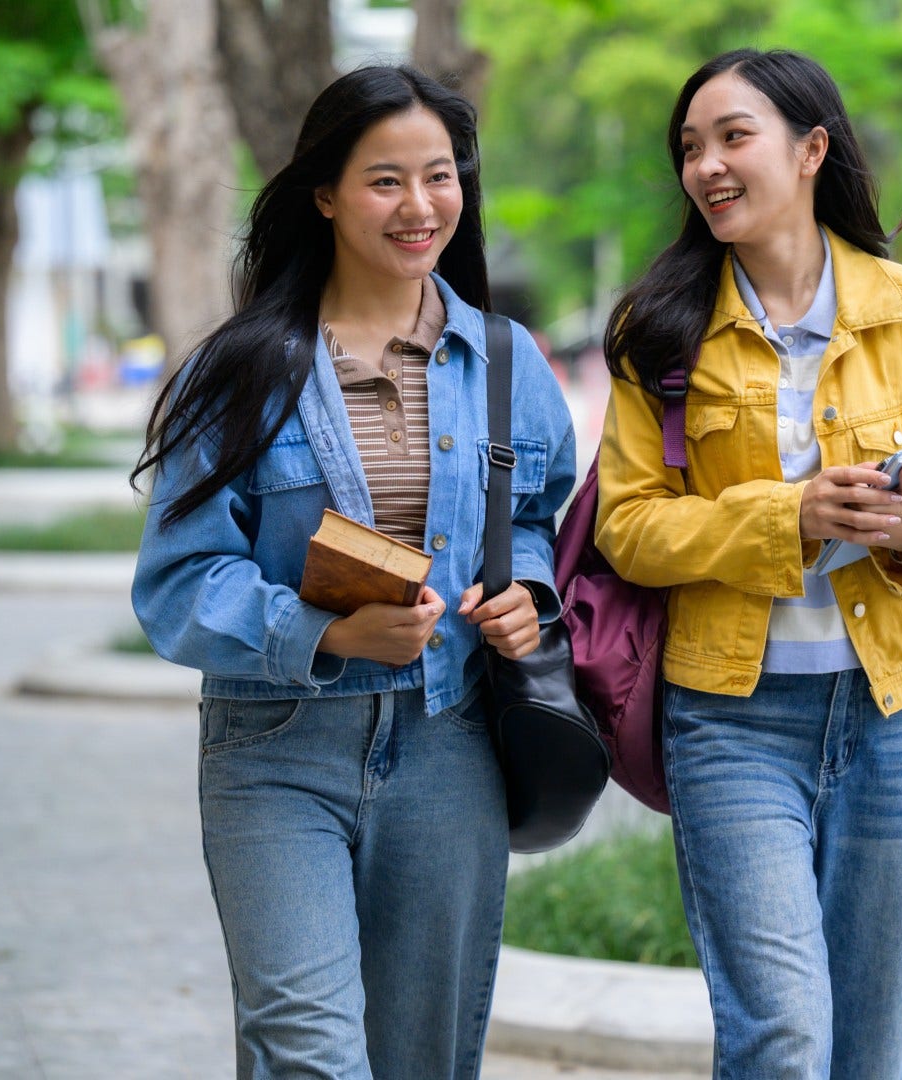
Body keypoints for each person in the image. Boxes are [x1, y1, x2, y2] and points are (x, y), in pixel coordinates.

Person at [130, 65, 576, 1080]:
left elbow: (543, 522)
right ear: (324, 192)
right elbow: (178, 581)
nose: (421, 206)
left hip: (450, 747)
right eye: (386, 181)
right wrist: (324, 633)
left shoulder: (507, 363)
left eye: (440, 176)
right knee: (308, 1052)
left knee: (419, 1059)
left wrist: (528, 598)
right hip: (275, 749)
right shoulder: (241, 371)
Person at [594, 49, 902, 1079]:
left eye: (734, 137)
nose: (707, 166)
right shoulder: (664, 327)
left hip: (887, 713)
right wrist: (791, 516)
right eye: (691, 147)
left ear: (812, 149)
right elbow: (629, 527)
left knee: (871, 1042)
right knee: (781, 1033)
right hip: (729, 718)